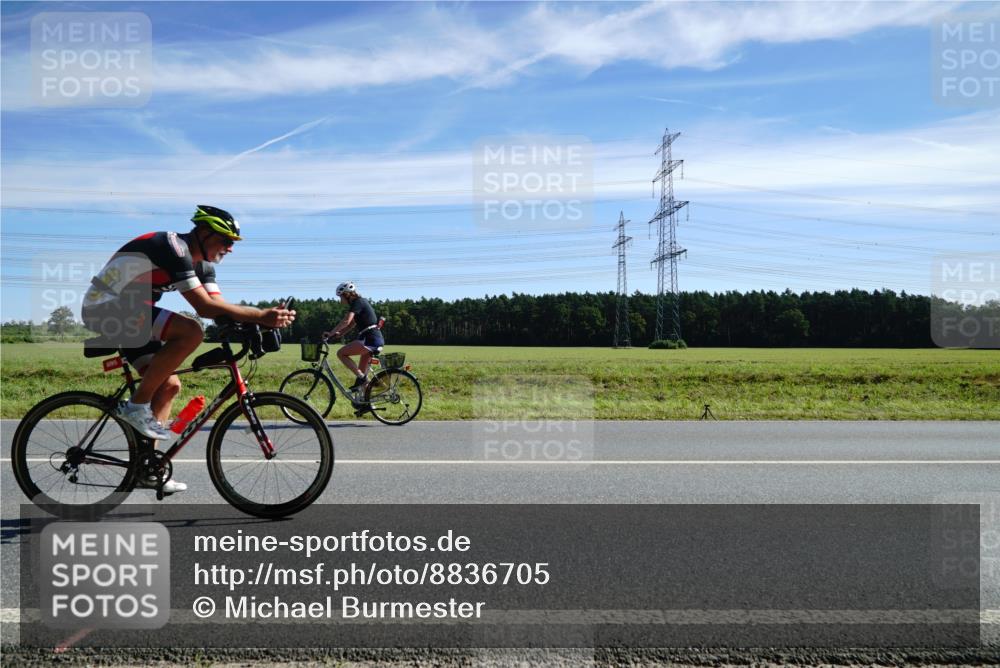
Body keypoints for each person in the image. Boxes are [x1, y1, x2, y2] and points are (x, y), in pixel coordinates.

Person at [82, 205, 295, 493]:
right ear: (204, 233)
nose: (230, 249)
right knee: (191, 330)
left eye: (233, 243)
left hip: (133, 312)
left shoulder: (204, 267)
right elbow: (204, 308)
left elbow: (220, 309)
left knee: (168, 385)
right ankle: (135, 406)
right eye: (226, 240)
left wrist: (261, 324)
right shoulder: (174, 247)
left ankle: (146, 468)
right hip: (105, 306)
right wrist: (259, 314)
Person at [322, 282, 383, 394]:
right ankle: (366, 404)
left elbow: (346, 321)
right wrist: (339, 334)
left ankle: (363, 379)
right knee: (361, 374)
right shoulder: (360, 303)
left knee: (341, 353)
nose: (340, 300)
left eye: (341, 297)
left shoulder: (357, 302)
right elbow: (351, 325)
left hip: (369, 339)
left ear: (347, 294)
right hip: (373, 338)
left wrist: (331, 333)